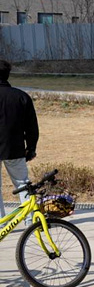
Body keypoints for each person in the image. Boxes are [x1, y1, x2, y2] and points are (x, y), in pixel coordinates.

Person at [0, 60, 38, 218]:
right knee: (22, 184)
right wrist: (31, 148)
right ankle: (30, 219)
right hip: (14, 147)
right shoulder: (21, 97)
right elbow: (31, 127)